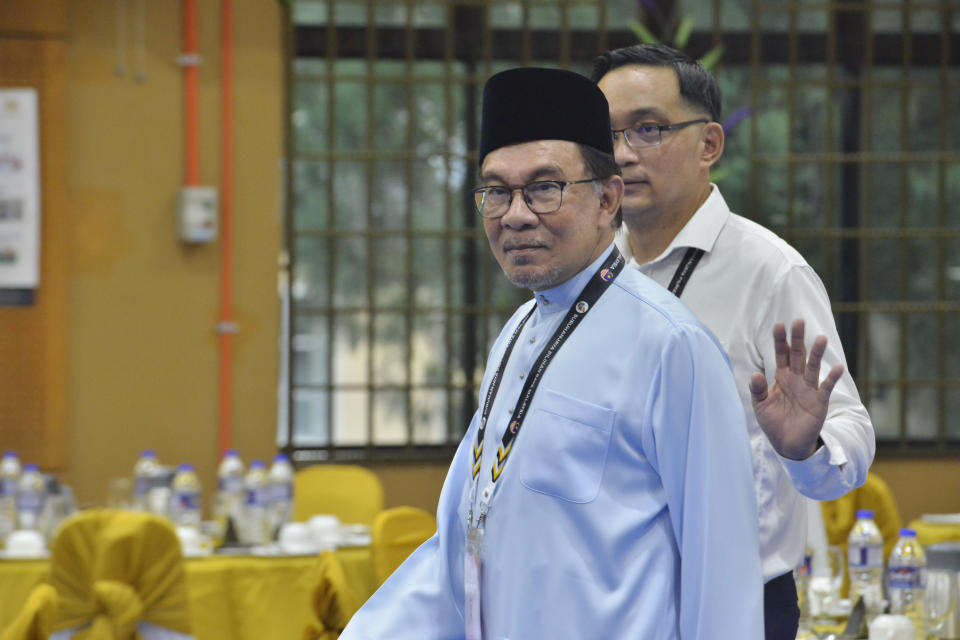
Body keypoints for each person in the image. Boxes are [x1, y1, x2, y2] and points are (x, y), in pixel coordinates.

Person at [340, 67, 763, 639]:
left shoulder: (672, 347)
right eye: (496, 191)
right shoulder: (516, 334)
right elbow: (465, 535)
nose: (515, 214)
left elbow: (724, 581)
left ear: (607, 198)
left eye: (544, 188)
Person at [592, 44, 876, 639]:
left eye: (647, 129)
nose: (621, 154)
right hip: (611, 604)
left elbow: (851, 437)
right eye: (608, 133)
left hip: (735, 605)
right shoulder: (593, 273)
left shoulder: (769, 271)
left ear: (710, 145)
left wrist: (804, 448)